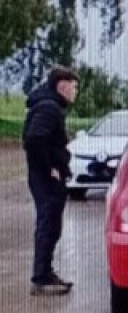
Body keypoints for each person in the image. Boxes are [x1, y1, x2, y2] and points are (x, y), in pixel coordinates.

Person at [22, 66, 79, 296]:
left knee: (52, 225)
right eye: (74, 87)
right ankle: (41, 277)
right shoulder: (49, 108)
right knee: (48, 225)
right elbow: (34, 139)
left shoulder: (50, 106)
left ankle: (46, 272)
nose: (76, 92)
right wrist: (49, 169)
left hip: (46, 175)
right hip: (45, 178)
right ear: (62, 86)